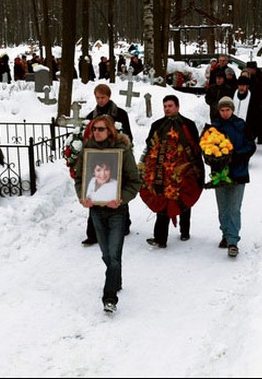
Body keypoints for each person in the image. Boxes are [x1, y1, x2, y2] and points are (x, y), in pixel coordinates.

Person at [74, 115, 141, 313]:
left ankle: (109, 297)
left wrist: (121, 198)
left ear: (110, 130)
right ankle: (116, 280)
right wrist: (82, 195)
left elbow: (134, 182)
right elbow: (80, 178)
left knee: (114, 254)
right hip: (96, 210)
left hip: (116, 211)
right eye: (95, 129)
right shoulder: (87, 151)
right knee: (106, 254)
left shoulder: (121, 150)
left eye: (101, 129)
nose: (97, 132)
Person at [140, 95, 205, 248]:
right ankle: (160, 238)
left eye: (170, 106)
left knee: (183, 199)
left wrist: (194, 167)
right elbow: (150, 144)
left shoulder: (188, 125)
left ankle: (184, 230)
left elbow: (196, 146)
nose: (167, 109)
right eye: (165, 106)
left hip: (184, 170)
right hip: (163, 171)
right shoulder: (157, 125)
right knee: (162, 199)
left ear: (177, 107)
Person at [81, 84, 133, 246]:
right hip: (97, 158)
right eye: (97, 97)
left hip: (115, 157)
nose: (100, 100)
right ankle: (93, 233)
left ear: (109, 97)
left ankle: (124, 223)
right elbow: (86, 136)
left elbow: (128, 136)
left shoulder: (120, 114)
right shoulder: (92, 116)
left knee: (116, 190)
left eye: (103, 97)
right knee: (95, 191)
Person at [210, 97, 256, 257]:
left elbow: (250, 145)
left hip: (238, 172)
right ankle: (226, 233)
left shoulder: (241, 125)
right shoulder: (214, 127)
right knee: (223, 208)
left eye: (227, 110)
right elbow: (206, 147)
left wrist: (235, 155)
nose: (225, 113)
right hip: (220, 174)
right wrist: (214, 159)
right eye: (222, 110)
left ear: (232, 110)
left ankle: (233, 241)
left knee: (234, 208)